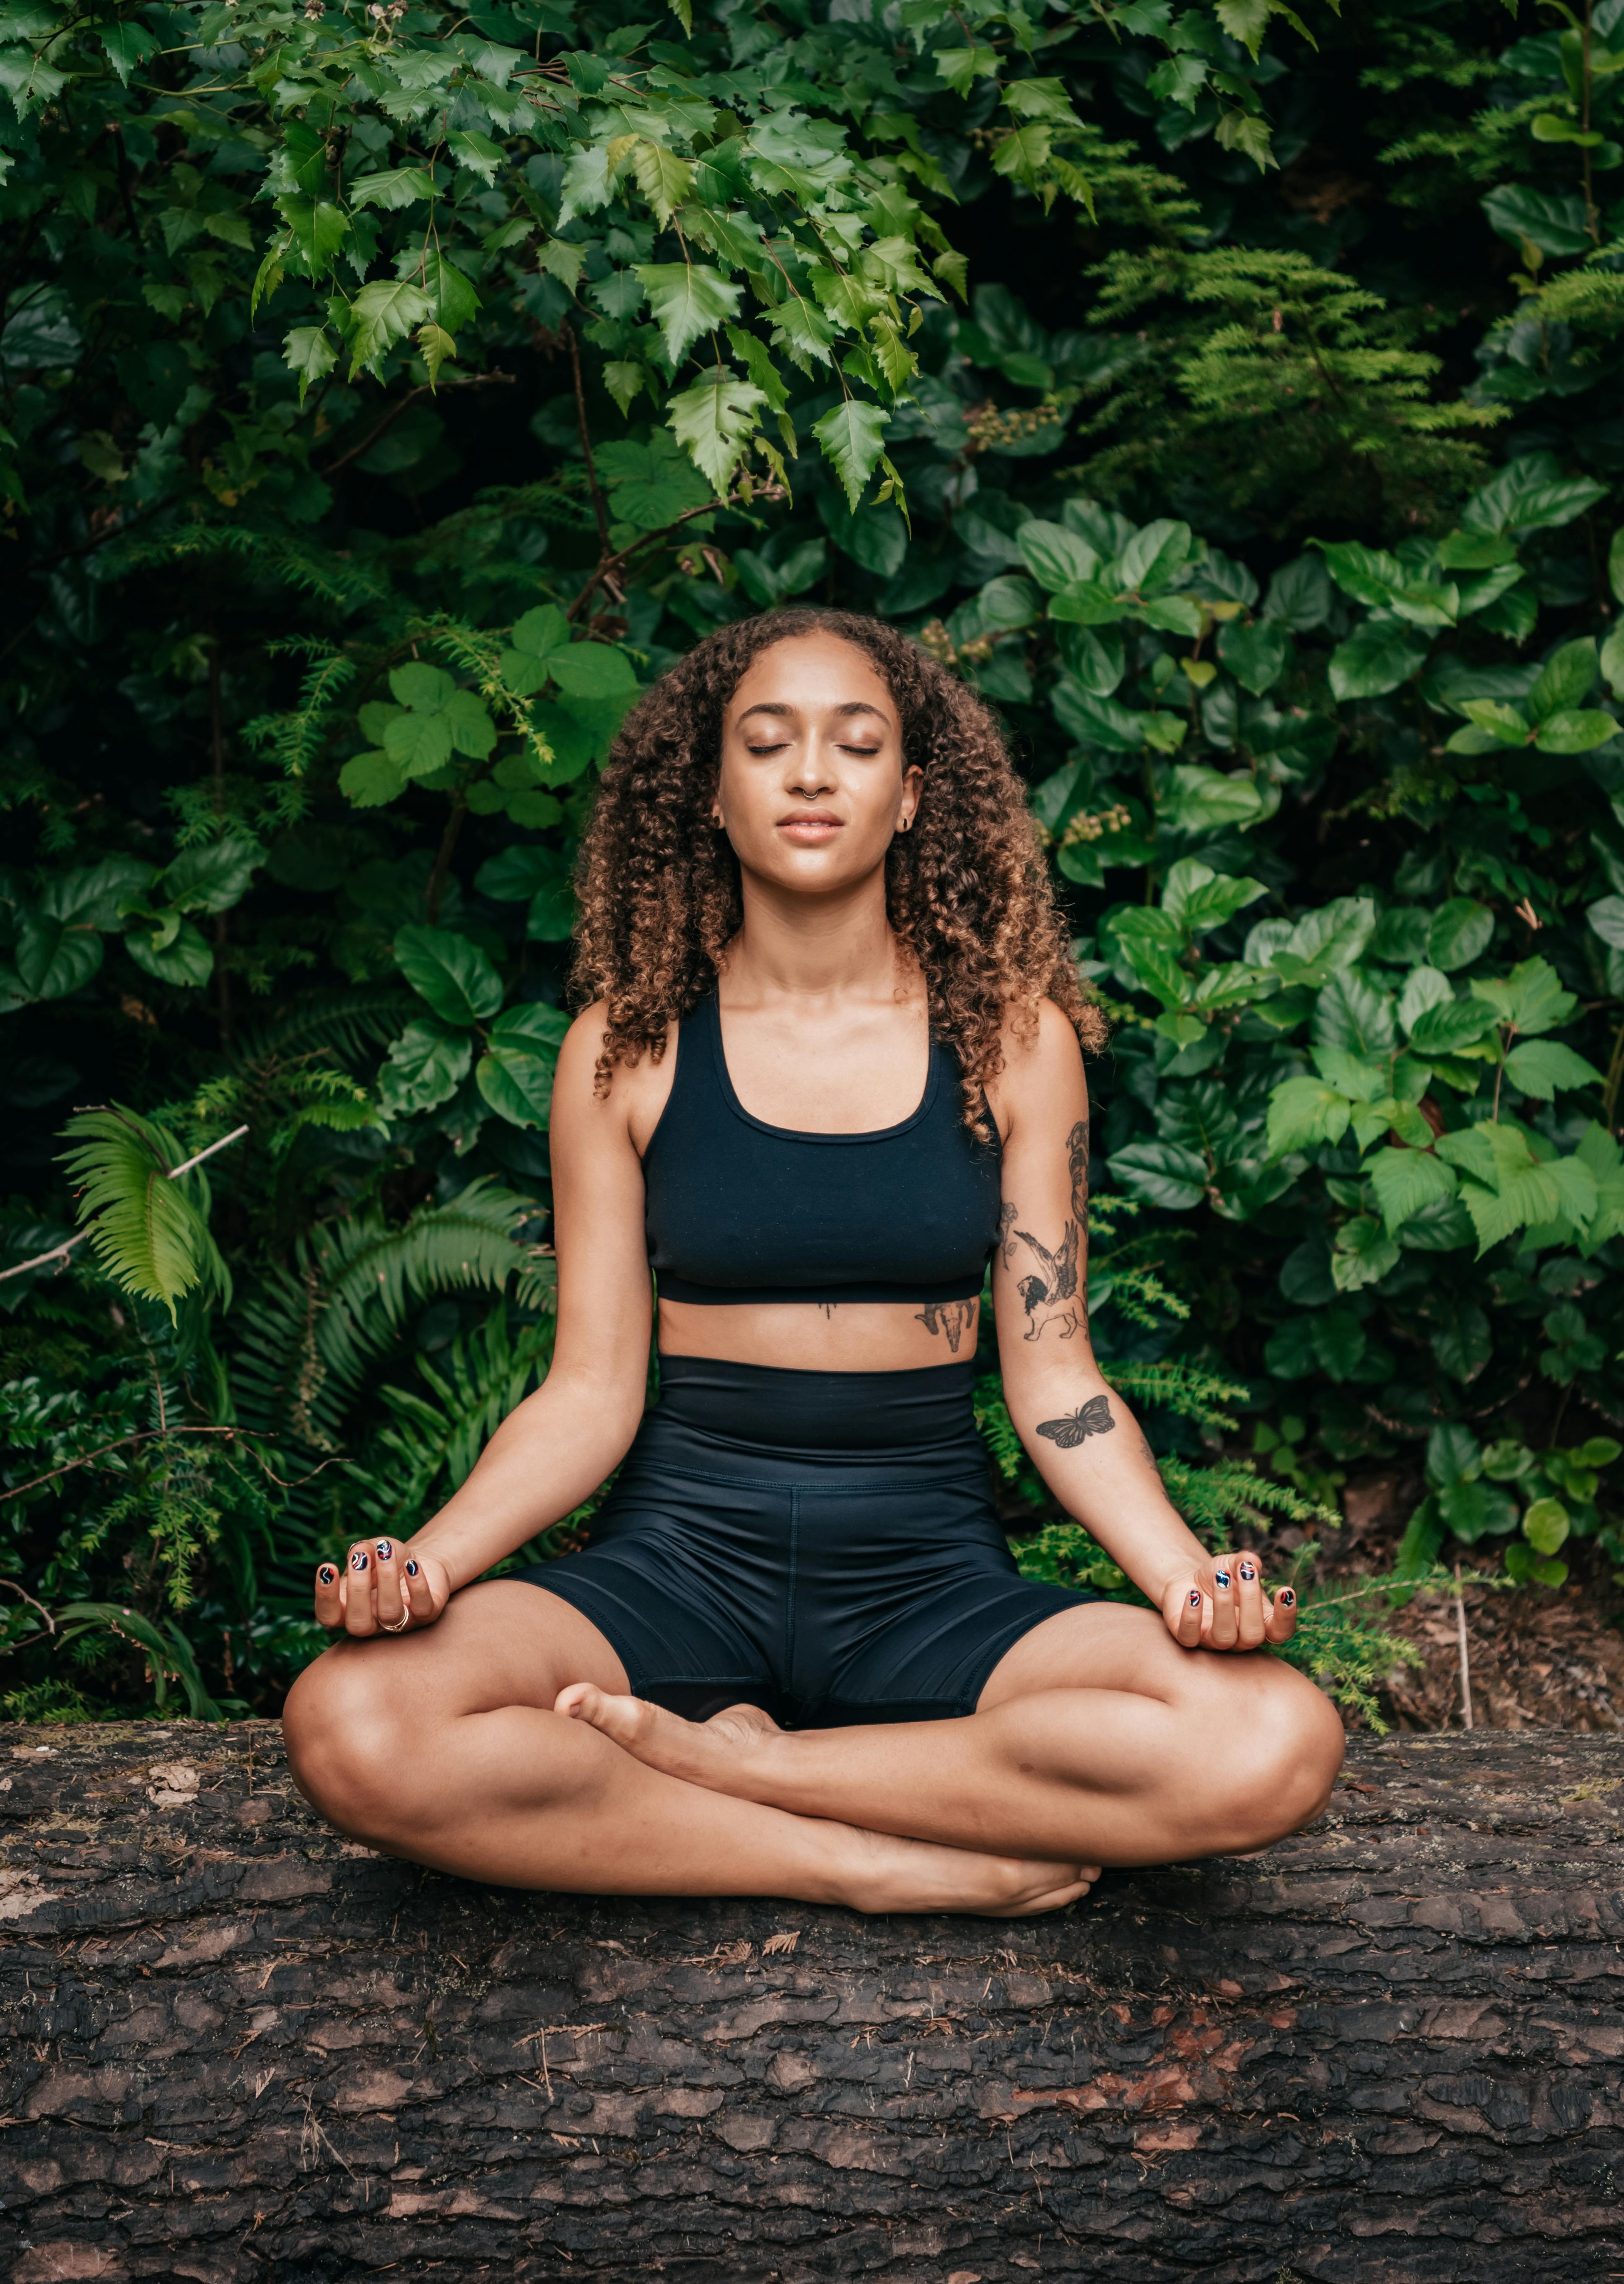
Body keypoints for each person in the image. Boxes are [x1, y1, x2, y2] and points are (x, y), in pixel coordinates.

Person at [283, 609, 1344, 1913]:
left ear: (908, 799)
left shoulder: (1016, 1046)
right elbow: (589, 1392)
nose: (808, 773)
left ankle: (758, 1768)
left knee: (1270, 1740)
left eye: (855, 743)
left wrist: (1188, 1580)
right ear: (712, 795)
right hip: (678, 1560)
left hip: (923, 1570)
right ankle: (860, 1858)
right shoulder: (625, 1051)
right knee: (354, 1722)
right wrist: (429, 1568)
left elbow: (1056, 1378)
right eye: (766, 742)